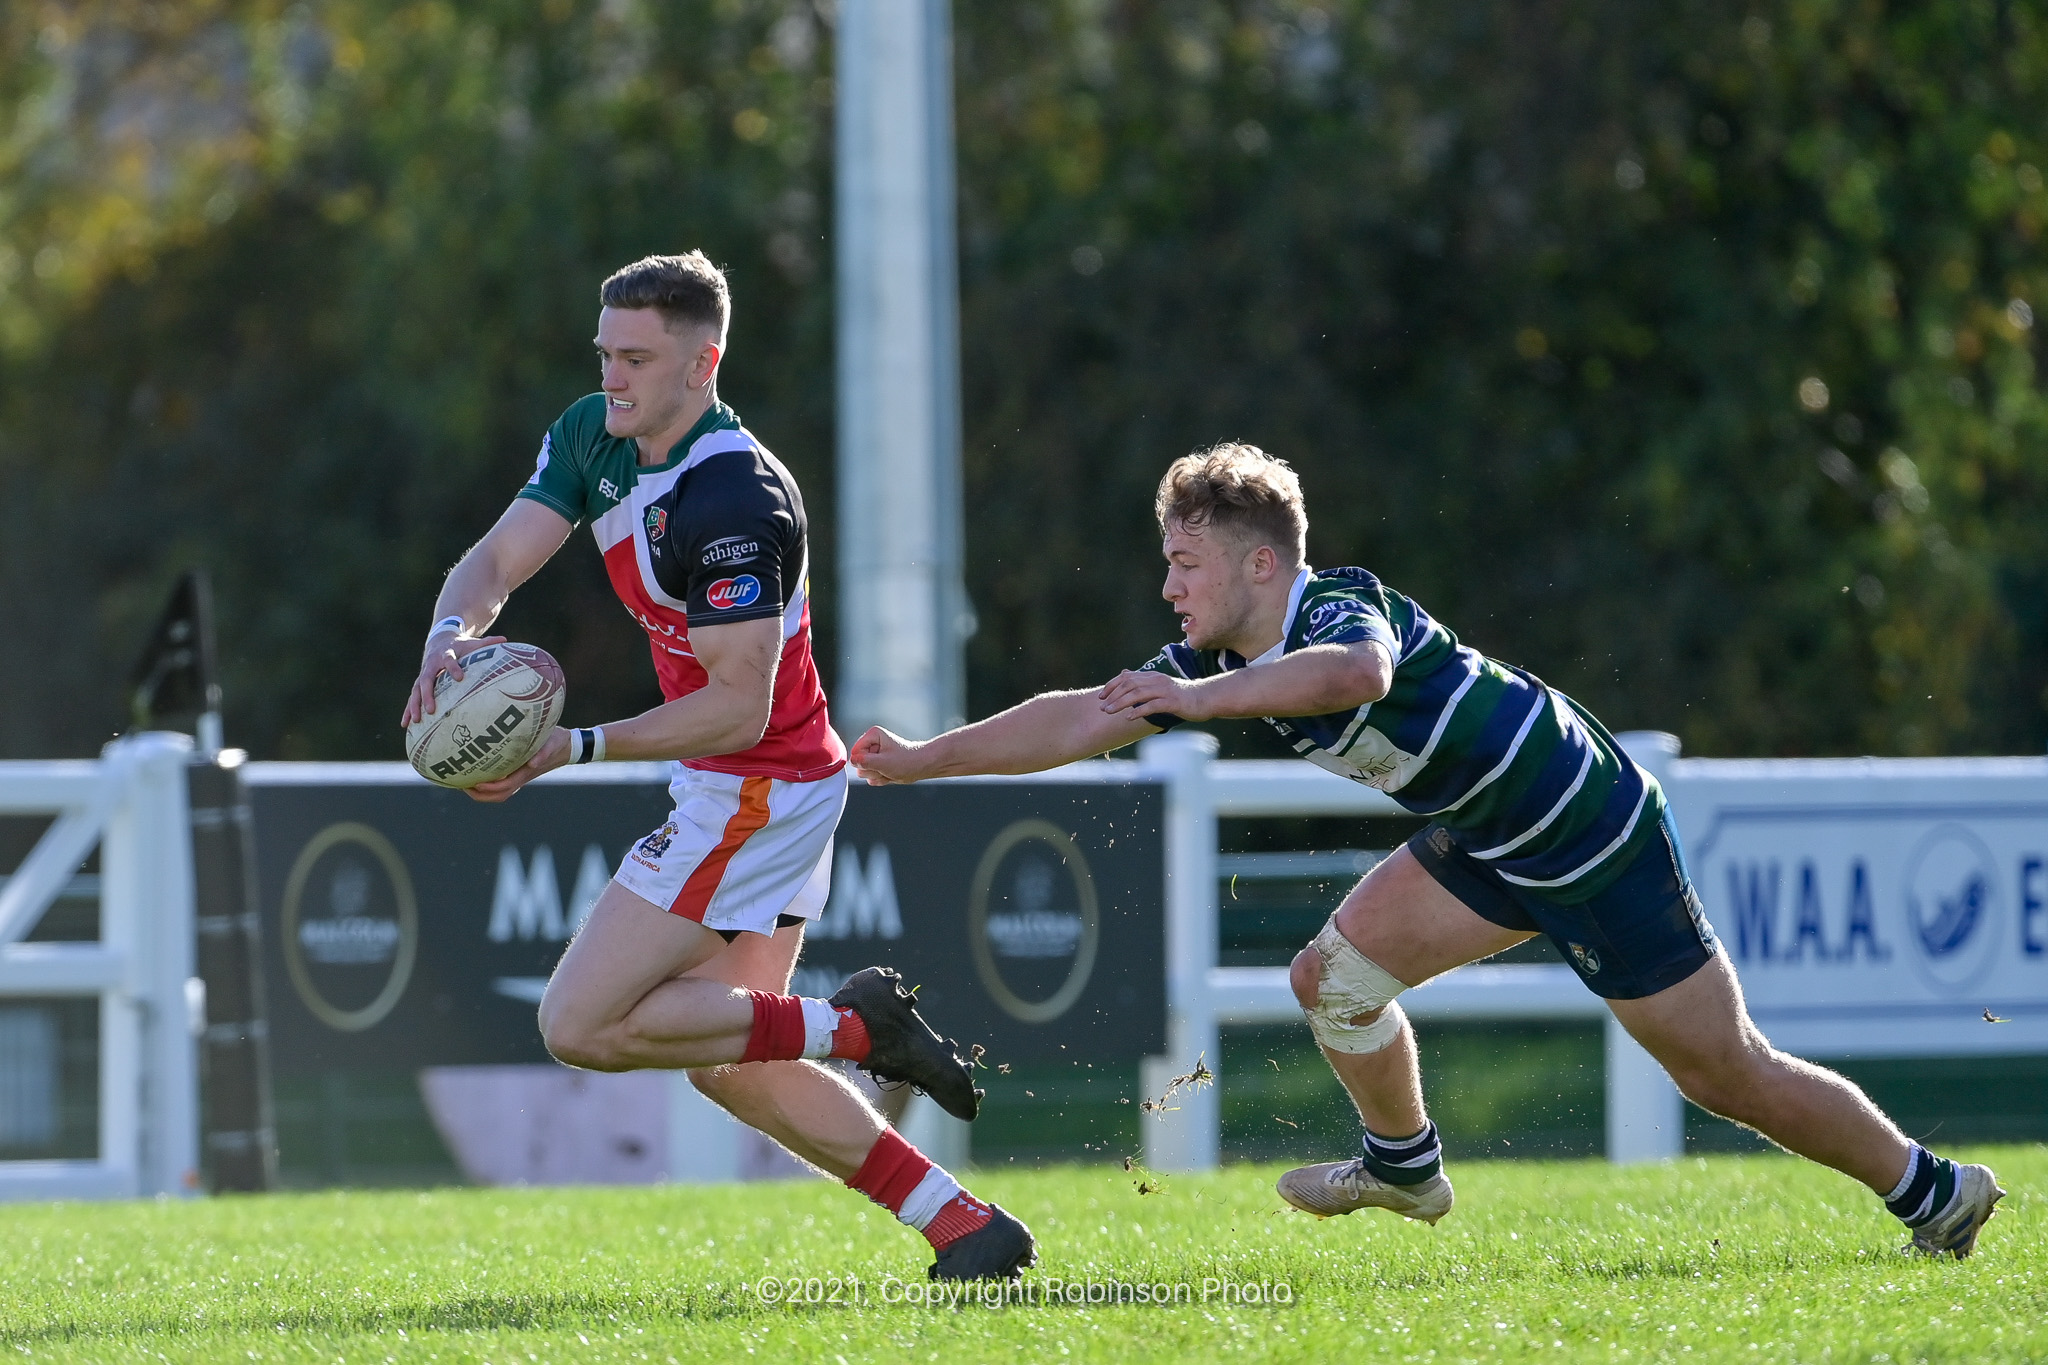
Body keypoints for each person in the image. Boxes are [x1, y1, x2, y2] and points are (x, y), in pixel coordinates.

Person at [850, 441, 2005, 1260]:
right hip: (1493, 838)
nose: (1166, 587)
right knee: (1328, 980)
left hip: (1589, 830)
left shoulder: (1339, 607)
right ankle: (1403, 1166)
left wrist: (1200, 704)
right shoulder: (1216, 661)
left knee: (1721, 1075)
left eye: (1183, 564)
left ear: (1260, 564)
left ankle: (1933, 1191)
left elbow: (1355, 676)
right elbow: (1078, 715)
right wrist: (919, 760)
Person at [398, 252, 1035, 1281]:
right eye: (606, 354)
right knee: (731, 1061)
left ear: (704, 364)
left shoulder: (737, 496)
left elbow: (740, 703)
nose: (612, 377)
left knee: (578, 1021)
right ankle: (962, 1224)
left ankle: (855, 1026)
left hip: (759, 784)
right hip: (753, 781)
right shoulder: (595, 436)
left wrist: (571, 747)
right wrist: (447, 640)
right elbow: (496, 561)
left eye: (637, 359)